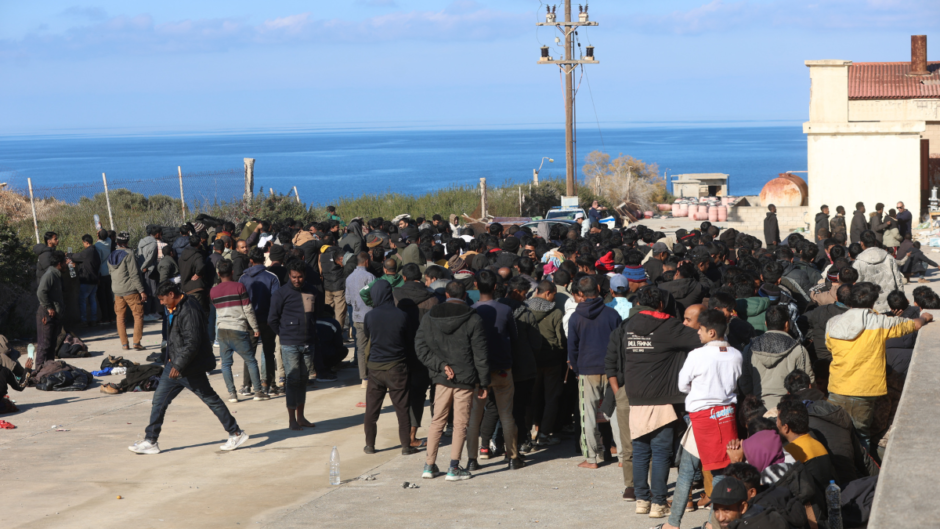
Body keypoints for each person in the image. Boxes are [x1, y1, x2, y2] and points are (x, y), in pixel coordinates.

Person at [606, 285, 701, 517]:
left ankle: (642, 500)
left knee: (639, 451)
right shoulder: (669, 326)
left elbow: (613, 359)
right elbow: (701, 337)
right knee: (660, 452)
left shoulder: (627, 326)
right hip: (663, 397)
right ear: (660, 305)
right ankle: (658, 503)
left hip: (635, 396)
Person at [129, 281, 249, 455]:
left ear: (172, 294)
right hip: (174, 364)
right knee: (159, 401)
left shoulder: (189, 310)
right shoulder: (174, 307)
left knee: (211, 399)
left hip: (188, 367)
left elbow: (192, 342)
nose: (161, 303)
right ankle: (151, 441)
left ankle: (236, 432)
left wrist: (178, 364)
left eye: (163, 299)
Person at [825, 282, 931, 449]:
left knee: (836, 437)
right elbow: (914, 325)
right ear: (873, 303)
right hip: (865, 390)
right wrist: (925, 317)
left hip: (836, 387)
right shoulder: (880, 322)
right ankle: (865, 472)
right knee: (862, 436)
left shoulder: (832, 323)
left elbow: (830, 348)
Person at [415, 280, 490, 481]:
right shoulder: (473, 318)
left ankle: (429, 465)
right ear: (465, 296)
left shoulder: (430, 317)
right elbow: (480, 354)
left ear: (446, 295)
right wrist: (484, 382)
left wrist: (440, 365)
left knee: (437, 421)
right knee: (460, 424)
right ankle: (454, 467)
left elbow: (420, 347)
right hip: (465, 378)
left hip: (441, 379)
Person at [467, 269, 523, 470]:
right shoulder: (505, 310)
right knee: (506, 414)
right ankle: (513, 457)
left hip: (478, 372)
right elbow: (514, 337)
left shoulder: (471, 310)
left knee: (475, 415)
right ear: (495, 287)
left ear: (475, 285)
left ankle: (472, 459)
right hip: (502, 369)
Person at [678, 310, 742, 482]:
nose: (698, 332)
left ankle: (716, 506)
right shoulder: (737, 355)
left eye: (701, 329)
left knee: (707, 469)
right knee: (726, 465)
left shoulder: (696, 355)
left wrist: (699, 390)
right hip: (727, 414)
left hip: (703, 416)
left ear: (711, 332)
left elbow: (682, 385)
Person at [568, 275, 623, 469]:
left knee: (587, 415)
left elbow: (572, 348)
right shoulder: (612, 314)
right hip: (612, 370)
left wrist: (576, 368)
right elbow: (620, 344)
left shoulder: (576, 317)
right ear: (599, 289)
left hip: (586, 369)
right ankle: (624, 457)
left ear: (580, 294)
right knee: (616, 413)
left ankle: (591, 458)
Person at [362, 280, 416, 455]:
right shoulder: (402, 315)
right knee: (402, 409)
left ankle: (370, 445)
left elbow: (368, 336)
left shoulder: (370, 316)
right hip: (397, 368)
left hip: (375, 369)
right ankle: (406, 446)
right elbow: (408, 341)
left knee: (371, 409)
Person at [393, 262, 440, 448]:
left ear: (403, 278)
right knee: (419, 394)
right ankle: (412, 434)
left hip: (399, 351)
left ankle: (405, 435)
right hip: (424, 353)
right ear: (420, 278)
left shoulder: (395, 296)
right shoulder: (433, 299)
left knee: (401, 394)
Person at [268, 260, 319, 431]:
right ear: (289, 275)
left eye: (300, 277)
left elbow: (315, 315)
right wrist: (284, 335)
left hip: (308, 344)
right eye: (294, 277)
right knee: (292, 381)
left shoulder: (312, 291)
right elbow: (272, 319)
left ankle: (301, 417)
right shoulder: (281, 294)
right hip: (290, 344)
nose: (297, 280)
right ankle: (292, 420)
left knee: (303, 380)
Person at [210, 260, 267, 403]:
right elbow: (248, 309)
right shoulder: (239, 287)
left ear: (218, 274)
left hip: (222, 330)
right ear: (232, 272)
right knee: (250, 361)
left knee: (225, 364)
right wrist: (255, 328)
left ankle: (232, 394)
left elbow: (216, 308)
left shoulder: (213, 291)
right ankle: (258, 391)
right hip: (238, 329)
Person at [738, 305, 814, 410]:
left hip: (758, 410)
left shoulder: (749, 349)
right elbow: (807, 383)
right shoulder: (798, 350)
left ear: (766, 323)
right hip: (788, 411)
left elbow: (744, 383)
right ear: (787, 324)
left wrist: (755, 399)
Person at [526, 281, 566, 447]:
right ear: (548, 293)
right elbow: (560, 340)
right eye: (554, 294)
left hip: (532, 360)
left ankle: (527, 432)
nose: (555, 298)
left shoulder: (526, 309)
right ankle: (544, 433)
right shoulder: (556, 312)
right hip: (552, 360)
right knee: (551, 397)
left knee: (531, 397)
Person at [239, 248, 281, 396]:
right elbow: (276, 300)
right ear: (264, 260)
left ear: (251, 260)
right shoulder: (272, 277)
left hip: (250, 322)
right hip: (267, 320)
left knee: (249, 354)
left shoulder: (243, 278)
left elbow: (241, 301)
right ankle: (269, 384)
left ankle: (247, 385)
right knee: (269, 353)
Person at [108, 232, 147, 351]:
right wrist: (141, 290)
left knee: (120, 318)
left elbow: (111, 273)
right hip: (130, 290)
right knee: (138, 315)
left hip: (117, 291)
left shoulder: (111, 255)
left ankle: (124, 344)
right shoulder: (129, 254)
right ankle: (136, 342)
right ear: (127, 242)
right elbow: (134, 274)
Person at [853, 230, 904, 311]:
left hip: (869, 308)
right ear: (875, 242)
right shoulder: (889, 258)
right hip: (891, 305)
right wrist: (901, 300)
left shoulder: (858, 263)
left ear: (861, 243)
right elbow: (898, 281)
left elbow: (857, 286)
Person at [346, 252, 375, 390]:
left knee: (361, 347)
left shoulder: (349, 278)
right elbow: (375, 297)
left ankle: (364, 377)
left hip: (357, 316)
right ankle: (374, 374)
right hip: (370, 316)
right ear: (367, 262)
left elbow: (348, 300)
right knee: (373, 346)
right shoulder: (370, 277)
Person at [35, 250, 66, 367]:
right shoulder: (50, 275)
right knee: (44, 345)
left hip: (54, 315)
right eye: (64, 262)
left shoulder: (56, 274)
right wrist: (49, 307)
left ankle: (49, 370)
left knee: (52, 345)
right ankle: (38, 372)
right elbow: (41, 292)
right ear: (59, 263)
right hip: (46, 314)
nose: (66, 264)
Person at [70, 234, 101, 326]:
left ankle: (84, 320)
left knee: (82, 300)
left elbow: (77, 256)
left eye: (83, 243)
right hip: (94, 280)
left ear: (86, 242)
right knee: (92, 300)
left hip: (87, 280)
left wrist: (68, 254)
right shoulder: (95, 251)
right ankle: (93, 319)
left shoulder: (88, 251)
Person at [179, 235, 212, 314]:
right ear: (200, 243)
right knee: (199, 312)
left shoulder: (182, 255)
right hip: (196, 288)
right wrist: (198, 274)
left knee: (190, 312)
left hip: (185, 287)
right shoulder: (197, 255)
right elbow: (201, 266)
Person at [137, 226, 163, 320]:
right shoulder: (153, 243)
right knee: (152, 291)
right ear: (156, 234)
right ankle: (150, 312)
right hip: (150, 269)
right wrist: (145, 266)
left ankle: (148, 312)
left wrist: (141, 266)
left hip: (142, 269)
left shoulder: (141, 241)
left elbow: (139, 255)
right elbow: (150, 258)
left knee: (146, 289)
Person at [95, 229, 115, 326]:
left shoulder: (97, 246)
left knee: (102, 297)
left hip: (101, 273)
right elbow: (105, 236)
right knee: (109, 295)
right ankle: (111, 316)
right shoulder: (109, 242)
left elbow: (98, 261)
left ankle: (105, 317)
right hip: (109, 271)